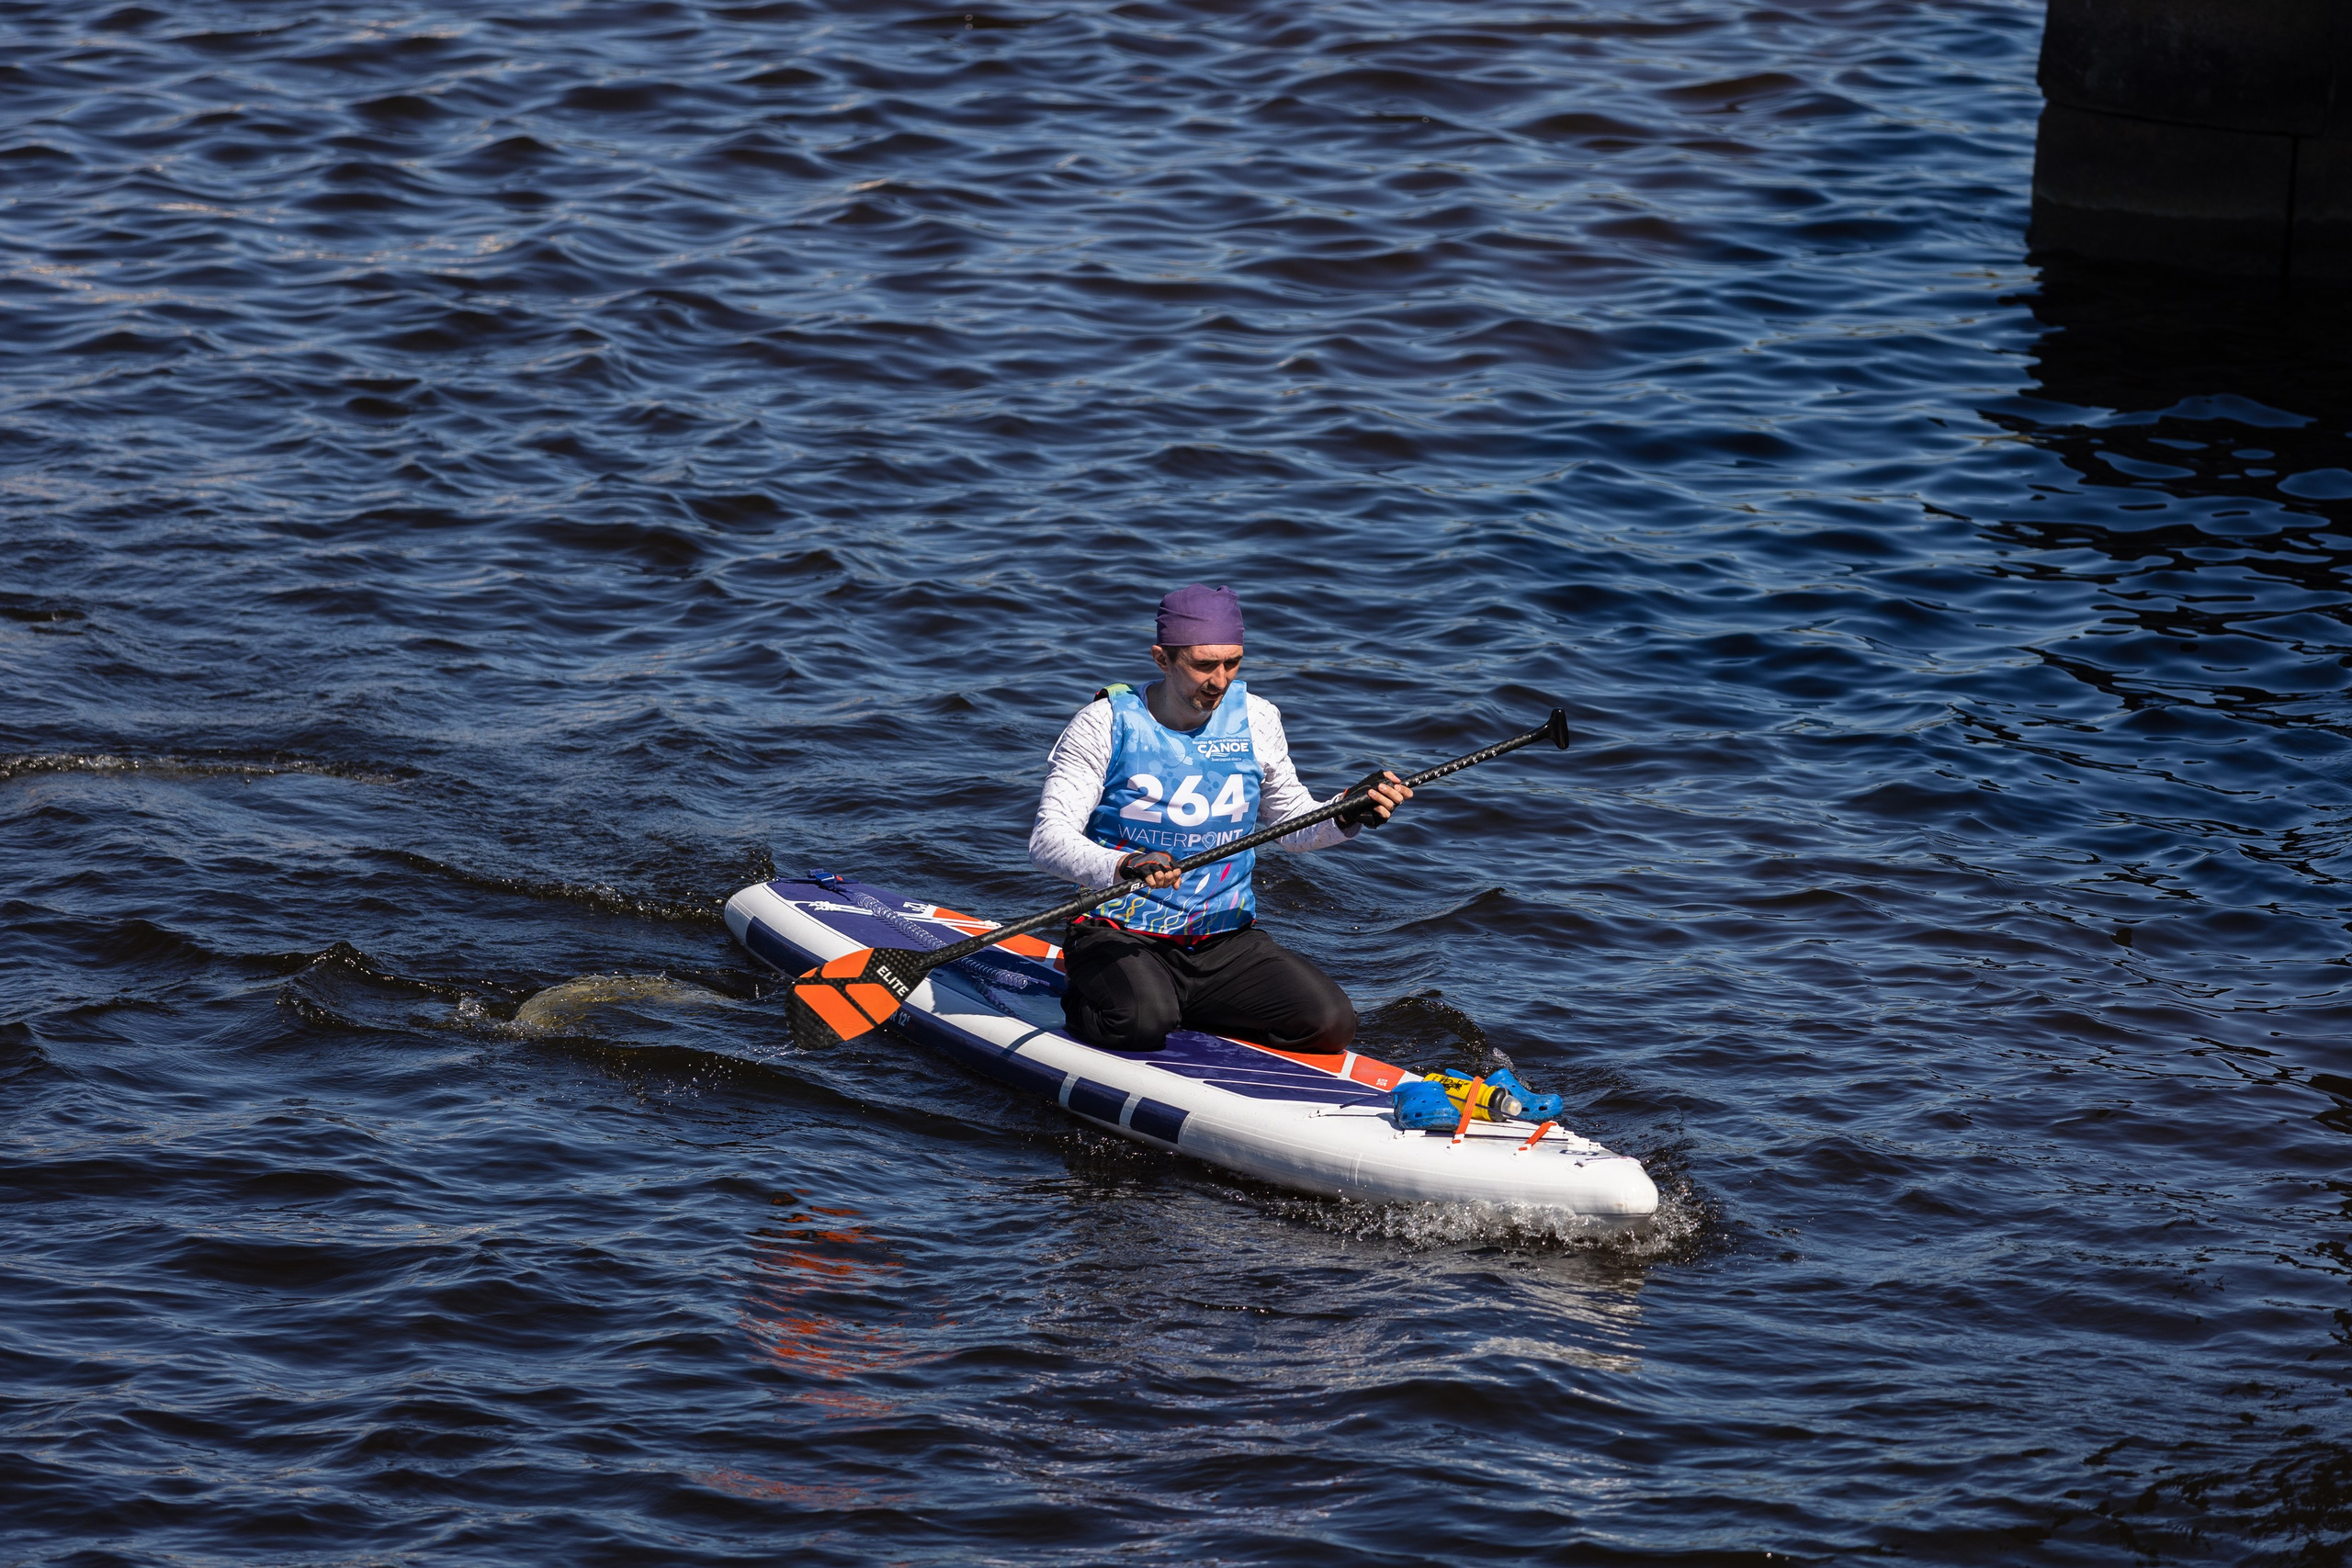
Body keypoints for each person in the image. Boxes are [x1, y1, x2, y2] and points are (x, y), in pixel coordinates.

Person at [1028, 584, 1411, 1054]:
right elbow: (1049, 840)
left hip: (1223, 939)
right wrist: (1125, 865)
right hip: (1118, 933)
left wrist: (1349, 812)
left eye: (1232, 662)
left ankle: (1176, 1002)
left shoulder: (1258, 718)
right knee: (1139, 1023)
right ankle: (1108, 1000)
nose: (1220, 679)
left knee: (1329, 1024)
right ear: (1162, 659)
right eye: (1204, 665)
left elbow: (1293, 827)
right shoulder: (1103, 723)